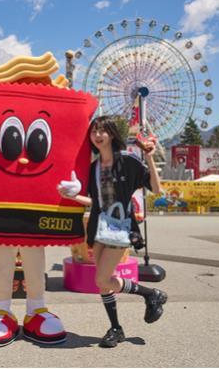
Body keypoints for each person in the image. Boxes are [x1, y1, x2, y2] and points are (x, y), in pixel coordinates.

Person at [61, 116, 168, 348]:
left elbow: (156, 189)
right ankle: (116, 328)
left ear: (112, 134)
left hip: (119, 226)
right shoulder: (93, 167)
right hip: (98, 225)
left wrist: (149, 156)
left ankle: (150, 294)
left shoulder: (128, 161)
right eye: (93, 132)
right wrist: (70, 196)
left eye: (102, 131)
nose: (97, 135)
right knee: (103, 282)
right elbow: (95, 201)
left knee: (101, 278)